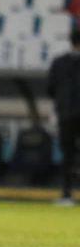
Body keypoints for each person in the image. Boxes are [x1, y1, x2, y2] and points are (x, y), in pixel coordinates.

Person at [48, 29, 80, 206]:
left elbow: (50, 88)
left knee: (67, 156)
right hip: (69, 114)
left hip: (65, 114)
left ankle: (67, 194)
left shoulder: (59, 62)